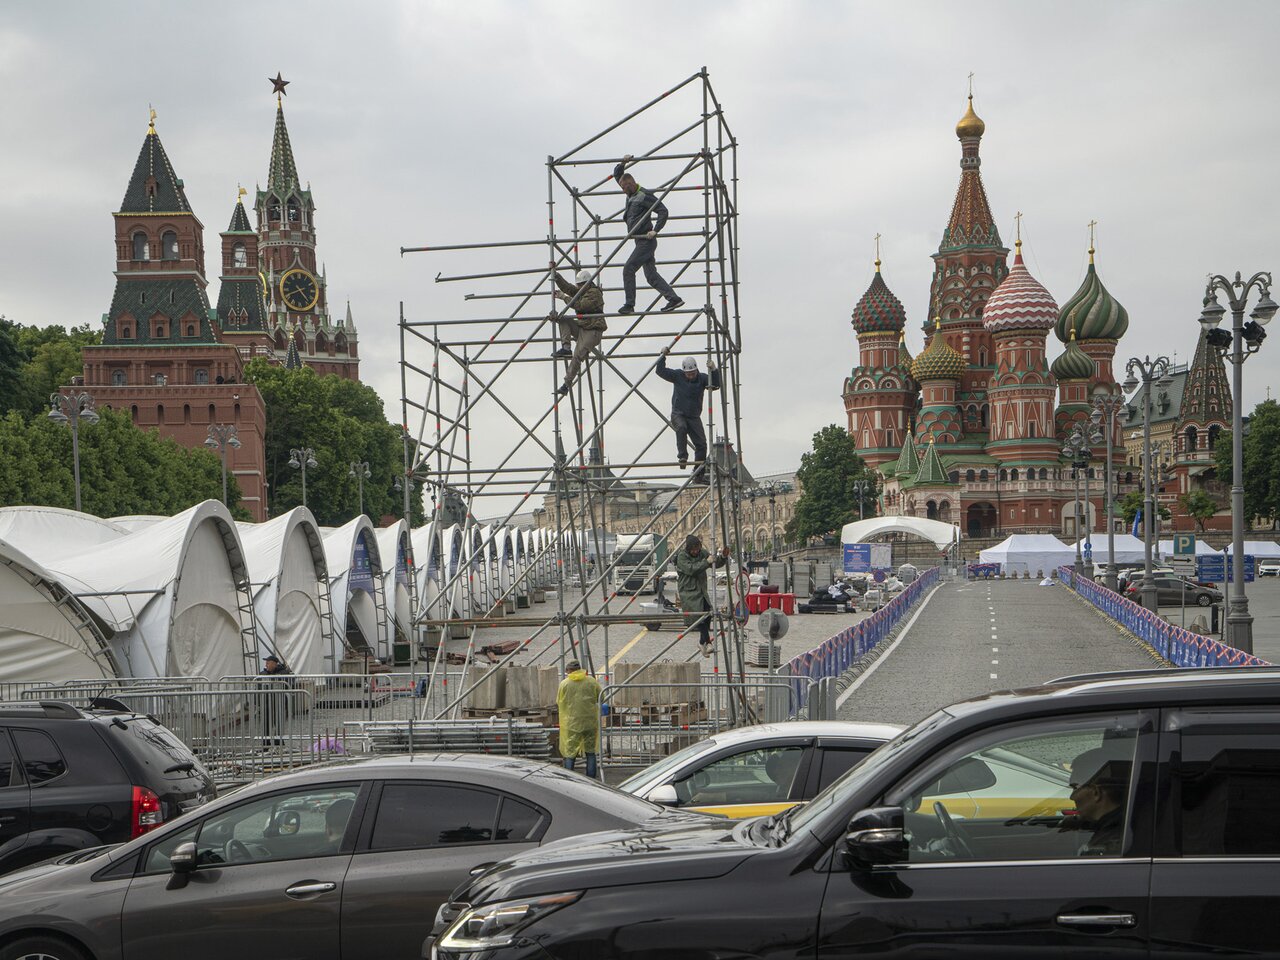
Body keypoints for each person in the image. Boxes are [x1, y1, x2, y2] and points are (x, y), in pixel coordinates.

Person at [613, 155, 683, 315]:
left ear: (631, 184)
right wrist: (623, 163)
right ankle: (673, 299)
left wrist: (656, 230)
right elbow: (618, 174)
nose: (623, 190)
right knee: (651, 276)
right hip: (639, 242)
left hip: (646, 240)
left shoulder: (644, 195)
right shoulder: (629, 192)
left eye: (624, 187)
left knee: (628, 268)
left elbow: (663, 211)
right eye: (622, 187)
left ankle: (629, 305)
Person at [657, 347, 720, 482]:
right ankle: (682, 457)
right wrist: (662, 356)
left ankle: (698, 474)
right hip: (678, 413)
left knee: (702, 444)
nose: (690, 375)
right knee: (681, 428)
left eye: (692, 373)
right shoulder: (678, 375)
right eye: (688, 373)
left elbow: (716, 385)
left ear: (696, 370)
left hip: (694, 416)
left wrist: (714, 370)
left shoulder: (702, 378)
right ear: (684, 371)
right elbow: (660, 371)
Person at [552, 268, 608, 398]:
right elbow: (570, 289)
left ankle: (566, 384)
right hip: (583, 327)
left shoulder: (594, 293)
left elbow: (580, 306)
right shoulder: (584, 290)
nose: (578, 287)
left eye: (579, 285)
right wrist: (556, 276)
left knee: (577, 355)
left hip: (593, 331)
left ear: (586, 283)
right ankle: (566, 347)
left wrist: (564, 297)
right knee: (563, 319)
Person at [1065, 747, 1132, 855]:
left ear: (1096, 792)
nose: (1071, 797)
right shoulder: (1124, 827)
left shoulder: (1109, 845)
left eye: (1075, 788)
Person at [673, 534, 730, 657]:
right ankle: (708, 642)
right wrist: (706, 562)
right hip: (688, 592)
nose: (695, 551)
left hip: (700, 590)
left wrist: (723, 557)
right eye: (693, 549)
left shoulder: (701, 553)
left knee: (708, 613)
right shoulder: (682, 557)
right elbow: (691, 569)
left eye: (697, 549)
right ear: (688, 549)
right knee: (700, 617)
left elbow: (713, 562)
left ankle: (701, 642)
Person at [556, 660, 602, 778]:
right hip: (590, 722)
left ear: (569, 670)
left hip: (571, 723)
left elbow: (559, 702)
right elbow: (602, 697)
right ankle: (591, 779)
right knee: (590, 752)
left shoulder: (564, 684)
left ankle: (568, 778)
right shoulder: (592, 681)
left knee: (570, 753)